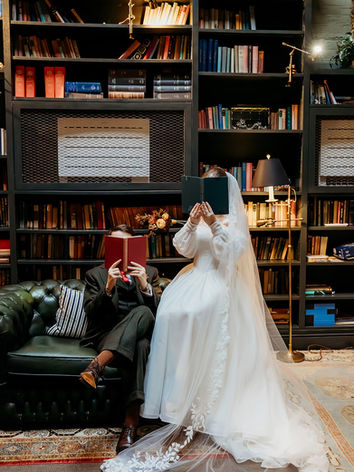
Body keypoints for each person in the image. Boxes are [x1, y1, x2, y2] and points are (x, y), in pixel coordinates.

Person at [101, 169, 329, 472]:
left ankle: (211, 401)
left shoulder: (233, 218)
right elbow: (184, 248)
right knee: (171, 313)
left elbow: (231, 254)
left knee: (198, 314)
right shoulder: (197, 216)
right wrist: (194, 222)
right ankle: (180, 396)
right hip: (195, 276)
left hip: (222, 282)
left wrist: (212, 223)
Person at [79, 224, 162, 454]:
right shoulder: (95, 274)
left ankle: (97, 365)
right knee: (141, 344)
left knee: (143, 323)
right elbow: (91, 312)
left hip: (137, 331)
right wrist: (107, 287)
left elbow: (158, 314)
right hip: (107, 335)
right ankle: (130, 425)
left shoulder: (149, 272)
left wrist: (145, 285)